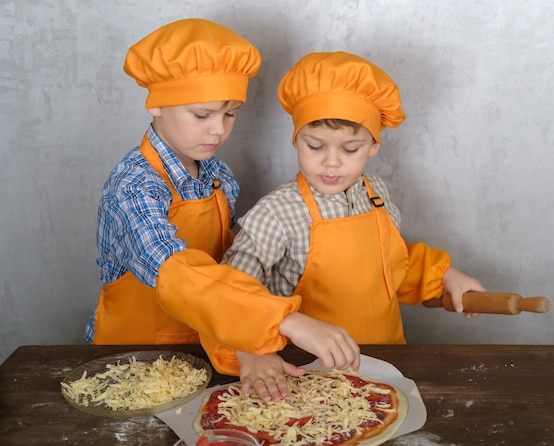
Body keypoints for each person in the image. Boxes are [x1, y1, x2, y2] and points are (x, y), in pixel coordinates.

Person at [83, 20, 360, 397]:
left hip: (211, 350)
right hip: (137, 361)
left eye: (230, 114)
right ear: (157, 104)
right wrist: (284, 321)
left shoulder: (218, 175)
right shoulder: (133, 188)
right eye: (202, 115)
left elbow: (228, 269)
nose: (219, 130)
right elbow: (176, 271)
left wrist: (246, 344)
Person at [222, 51, 486, 395]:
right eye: (315, 146)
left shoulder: (376, 194)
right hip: (307, 375)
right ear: (295, 139)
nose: (331, 163)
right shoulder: (278, 212)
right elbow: (232, 291)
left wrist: (446, 276)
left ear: (373, 145)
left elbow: (390, 267)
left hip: (386, 367)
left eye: (350, 150)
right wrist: (250, 351)